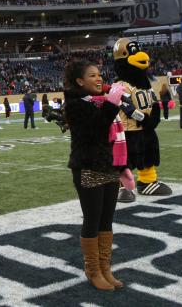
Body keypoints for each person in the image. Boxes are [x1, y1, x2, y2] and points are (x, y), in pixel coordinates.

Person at [64, 60, 131, 291]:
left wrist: (123, 165)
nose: (99, 78)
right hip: (87, 166)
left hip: (108, 165)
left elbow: (113, 137)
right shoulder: (74, 103)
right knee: (92, 219)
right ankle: (93, 270)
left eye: (99, 74)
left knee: (107, 219)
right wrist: (112, 104)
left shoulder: (99, 101)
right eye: (92, 75)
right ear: (80, 81)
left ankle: (106, 268)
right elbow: (97, 129)